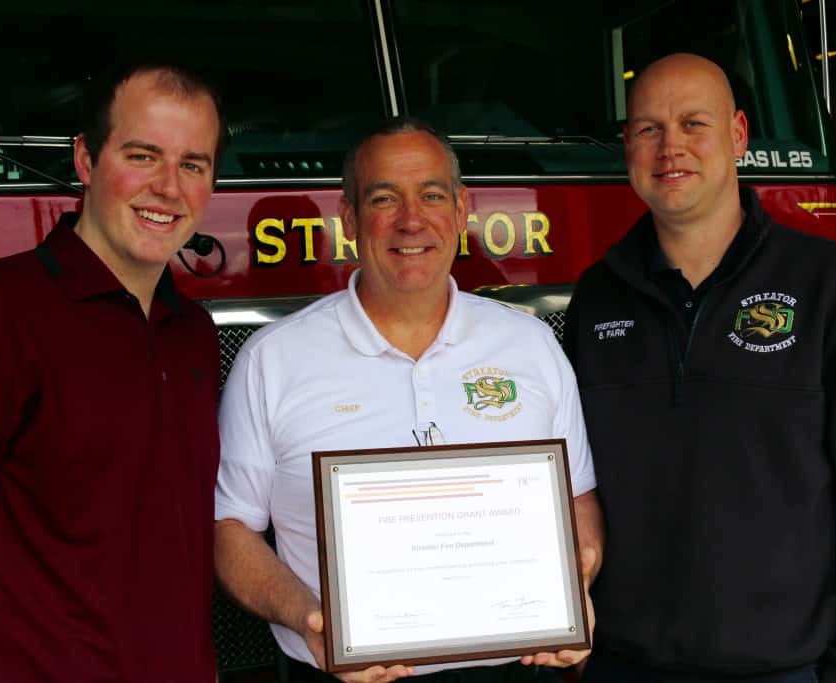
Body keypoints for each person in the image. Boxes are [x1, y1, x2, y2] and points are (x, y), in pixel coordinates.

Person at [563, 52, 836, 683]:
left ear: (737, 135)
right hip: (621, 667)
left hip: (785, 670)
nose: (669, 148)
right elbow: (573, 485)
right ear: (627, 146)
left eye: (692, 124)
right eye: (648, 129)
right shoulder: (598, 296)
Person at [214, 117, 604, 683]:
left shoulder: (532, 345)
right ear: (348, 217)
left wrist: (577, 584)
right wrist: (309, 619)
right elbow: (230, 528)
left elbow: (578, 498)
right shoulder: (271, 360)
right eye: (383, 198)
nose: (411, 220)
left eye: (431, 195)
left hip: (514, 670)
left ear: (462, 206)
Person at [0, 63, 226, 682]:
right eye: (143, 156)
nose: (169, 188)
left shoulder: (192, 336)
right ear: (85, 160)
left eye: (193, 164)